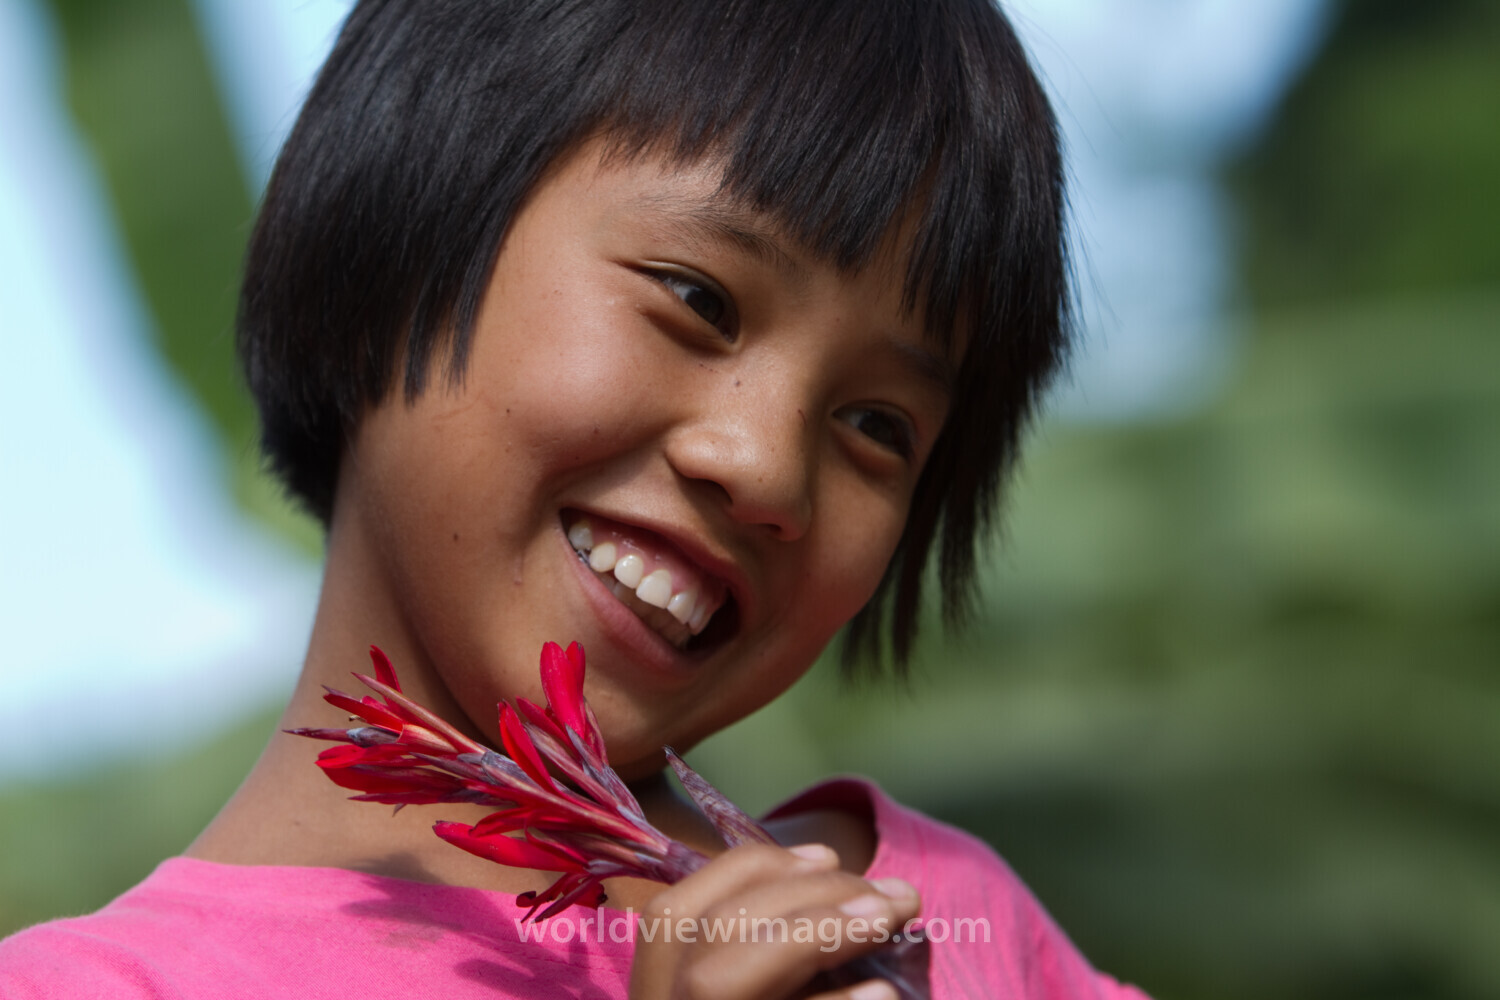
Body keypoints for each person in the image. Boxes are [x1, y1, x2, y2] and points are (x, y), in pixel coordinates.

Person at [0, 1, 1150, 997]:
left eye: (878, 426)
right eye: (699, 297)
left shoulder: (937, 928)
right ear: (397, 234)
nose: (767, 467)